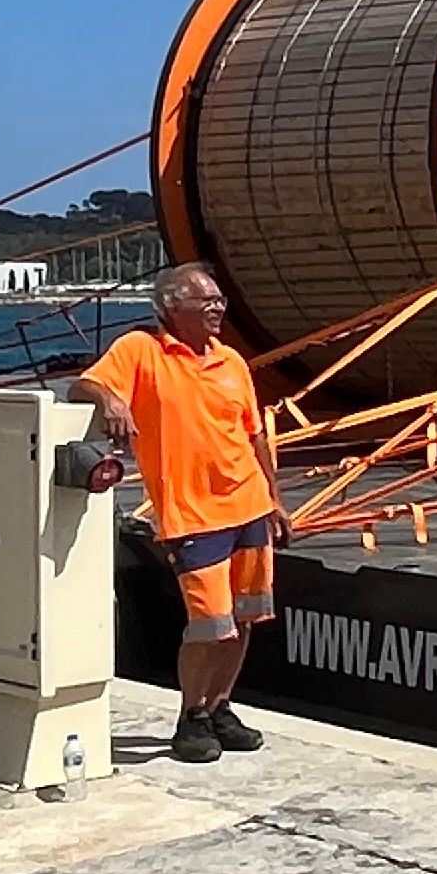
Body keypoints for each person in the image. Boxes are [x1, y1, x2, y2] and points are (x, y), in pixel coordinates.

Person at [73, 264, 278, 763]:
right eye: (205, 300)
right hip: (192, 514)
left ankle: (221, 705)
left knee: (246, 618)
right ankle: (192, 715)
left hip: (248, 504)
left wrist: (275, 499)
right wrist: (111, 400)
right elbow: (83, 387)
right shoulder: (141, 351)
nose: (218, 308)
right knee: (209, 623)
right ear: (171, 308)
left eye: (219, 300)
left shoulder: (232, 362)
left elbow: (253, 435)